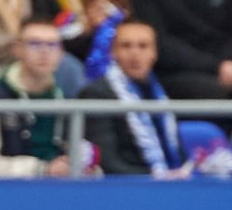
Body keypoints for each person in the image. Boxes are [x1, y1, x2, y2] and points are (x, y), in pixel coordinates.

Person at [0, 16, 82, 178]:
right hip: (9, 192)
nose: (44, 52)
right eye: (35, 44)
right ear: (17, 49)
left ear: (61, 53)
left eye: (52, 45)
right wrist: (42, 169)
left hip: (61, 190)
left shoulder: (68, 99)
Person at [80, 19, 190, 177]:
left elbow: (176, 152)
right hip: (126, 189)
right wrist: (158, 178)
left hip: (168, 184)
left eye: (143, 46)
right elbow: (107, 162)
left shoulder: (160, 91)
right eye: (126, 46)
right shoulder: (96, 94)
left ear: (154, 53)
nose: (135, 53)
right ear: (113, 52)